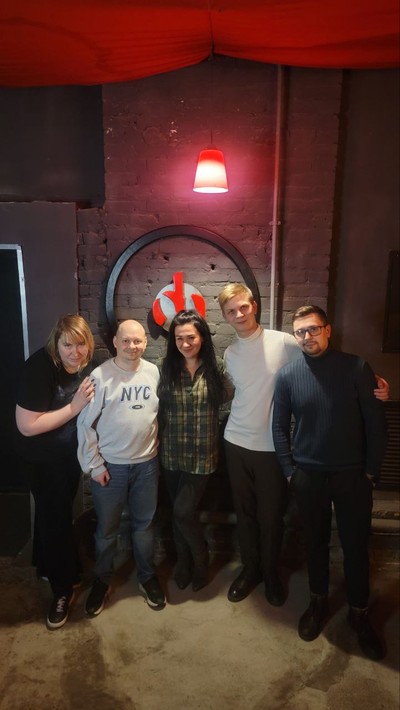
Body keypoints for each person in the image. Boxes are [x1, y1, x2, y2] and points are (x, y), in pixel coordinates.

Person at [217, 283, 389, 609]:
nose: (238, 314)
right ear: (225, 316)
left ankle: (271, 575)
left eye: (243, 307)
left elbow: (330, 363)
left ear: (254, 306)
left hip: (270, 447)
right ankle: (251, 570)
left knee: (271, 518)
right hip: (236, 441)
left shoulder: (285, 342)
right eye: (231, 311)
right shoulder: (230, 353)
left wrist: (374, 381)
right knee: (245, 514)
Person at [272, 305, 387, 660]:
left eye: (313, 329)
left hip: (353, 476)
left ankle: (359, 613)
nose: (307, 336)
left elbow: (375, 423)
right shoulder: (288, 375)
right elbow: (279, 427)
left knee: (356, 546)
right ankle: (318, 602)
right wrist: (289, 470)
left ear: (327, 330)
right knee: (315, 544)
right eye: (300, 332)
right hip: (308, 476)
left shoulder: (356, 367)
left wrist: (371, 472)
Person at [77, 319, 165, 616]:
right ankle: (101, 581)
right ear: (115, 342)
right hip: (110, 468)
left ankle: (147, 577)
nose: (132, 346)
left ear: (145, 343)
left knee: (144, 526)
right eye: (126, 340)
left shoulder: (153, 372)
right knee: (107, 530)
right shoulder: (100, 376)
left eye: (138, 341)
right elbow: (85, 425)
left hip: (146, 466)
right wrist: (95, 465)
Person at [15, 314, 96, 630]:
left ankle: (45, 565)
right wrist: (74, 407)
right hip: (40, 458)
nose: (75, 352)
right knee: (57, 519)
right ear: (56, 344)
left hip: (66, 455)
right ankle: (62, 590)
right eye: (68, 346)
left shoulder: (84, 364)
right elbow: (27, 426)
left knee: (53, 516)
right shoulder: (39, 368)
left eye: (81, 345)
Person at [157, 310, 233, 592]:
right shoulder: (165, 367)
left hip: (203, 455)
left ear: (202, 337)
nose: (185, 343)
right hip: (171, 453)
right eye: (179, 338)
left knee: (182, 512)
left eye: (191, 337)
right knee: (179, 513)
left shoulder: (217, 368)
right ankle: (183, 563)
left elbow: (230, 395)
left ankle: (201, 560)